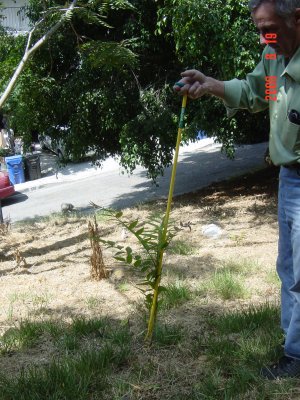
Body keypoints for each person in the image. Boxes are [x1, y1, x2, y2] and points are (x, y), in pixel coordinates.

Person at [174, 0, 300, 380]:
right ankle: (292, 344)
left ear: (297, 17)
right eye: (259, 29)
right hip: (289, 176)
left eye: (269, 27)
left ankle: (296, 357)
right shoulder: (276, 56)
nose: (264, 37)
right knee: (289, 268)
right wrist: (210, 85)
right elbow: (259, 93)